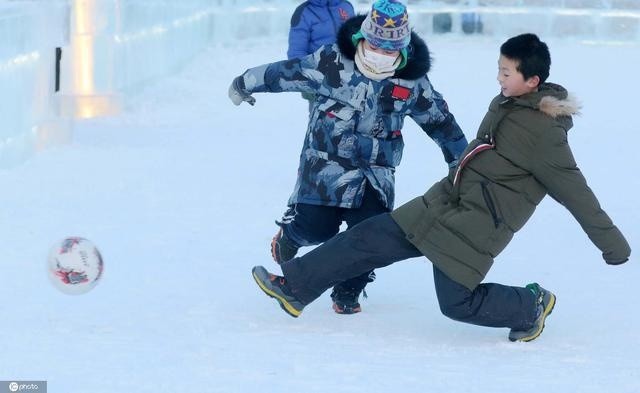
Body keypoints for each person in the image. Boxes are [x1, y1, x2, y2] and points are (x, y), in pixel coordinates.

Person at [251, 33, 631, 342]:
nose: (499, 78)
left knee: (456, 304)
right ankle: (295, 288)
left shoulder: (546, 134)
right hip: (442, 203)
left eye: (507, 72)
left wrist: (612, 245)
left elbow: (577, 192)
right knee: (367, 237)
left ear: (532, 81)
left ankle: (530, 305)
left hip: (475, 225)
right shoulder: (509, 103)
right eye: (499, 69)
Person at [229, 0, 469, 314]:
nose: (381, 55)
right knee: (318, 229)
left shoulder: (411, 82)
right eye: (375, 46)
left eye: (390, 51)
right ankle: (290, 234)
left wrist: (462, 162)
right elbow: (288, 72)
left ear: (403, 48)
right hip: (324, 169)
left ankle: (348, 291)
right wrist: (245, 82)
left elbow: (440, 122)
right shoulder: (331, 61)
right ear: (362, 39)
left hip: (375, 172)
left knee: (370, 235)